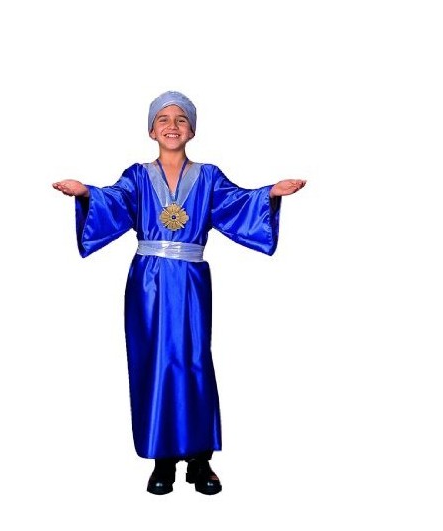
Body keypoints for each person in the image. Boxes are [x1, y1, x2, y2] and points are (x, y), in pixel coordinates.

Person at [53, 91, 305, 495]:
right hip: (148, 282)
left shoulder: (208, 177)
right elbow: (113, 201)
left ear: (192, 130)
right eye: (164, 119)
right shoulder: (138, 176)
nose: (172, 126)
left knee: (193, 360)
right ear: (151, 130)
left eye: (181, 119)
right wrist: (86, 193)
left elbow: (238, 203)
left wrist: (270, 194)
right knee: (152, 361)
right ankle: (163, 458)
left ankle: (200, 459)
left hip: (189, 279)